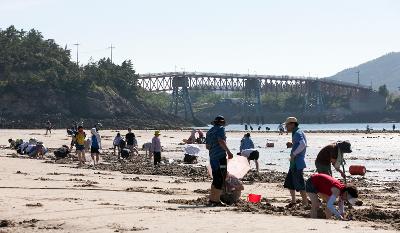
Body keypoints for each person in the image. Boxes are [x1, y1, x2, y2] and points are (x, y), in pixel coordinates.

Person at [205, 115, 233, 206]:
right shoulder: (220, 129)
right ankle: (216, 200)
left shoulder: (209, 131)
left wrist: (214, 149)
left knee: (216, 177)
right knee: (221, 178)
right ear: (222, 122)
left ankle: (212, 199)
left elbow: (207, 147)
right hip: (220, 157)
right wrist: (229, 152)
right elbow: (221, 141)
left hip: (212, 157)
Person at [284, 117, 309, 207]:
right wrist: (292, 145)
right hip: (294, 162)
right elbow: (300, 144)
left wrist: (294, 154)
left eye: (287, 125)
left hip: (297, 162)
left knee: (299, 182)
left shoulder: (297, 133)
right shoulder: (296, 132)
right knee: (290, 182)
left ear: (292, 124)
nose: (286, 127)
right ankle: (293, 201)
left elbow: (303, 144)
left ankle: (305, 202)